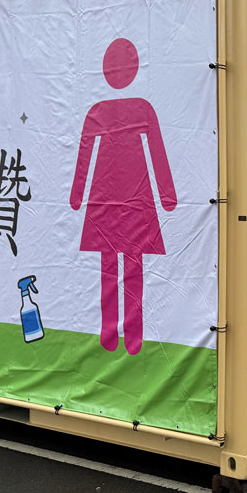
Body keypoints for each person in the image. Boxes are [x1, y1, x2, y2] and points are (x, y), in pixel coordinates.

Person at [70, 38, 177, 355]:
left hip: (112, 193)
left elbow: (86, 155)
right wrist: (166, 195)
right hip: (129, 193)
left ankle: (119, 333)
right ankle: (127, 335)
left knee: (116, 265)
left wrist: (78, 196)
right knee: (129, 265)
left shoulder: (105, 110)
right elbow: (155, 152)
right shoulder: (135, 108)